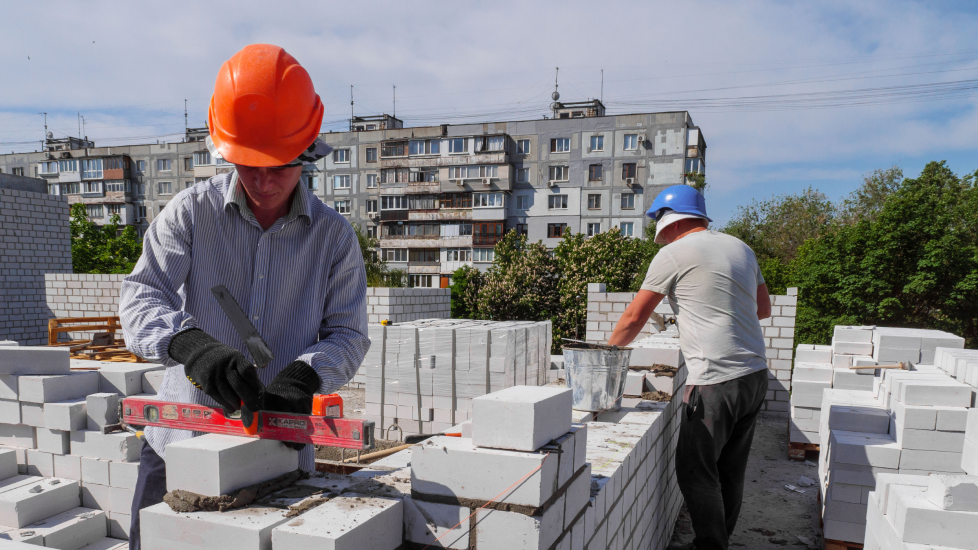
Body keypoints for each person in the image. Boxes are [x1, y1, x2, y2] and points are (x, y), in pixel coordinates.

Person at [119, 44, 370, 550]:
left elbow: (348, 333)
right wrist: (191, 346)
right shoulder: (191, 212)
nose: (263, 180)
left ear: (308, 152)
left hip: (276, 452)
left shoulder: (334, 238)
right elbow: (142, 295)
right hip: (181, 443)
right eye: (249, 163)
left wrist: (305, 375)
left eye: (279, 165)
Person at [606, 185, 771, 550]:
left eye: (661, 229)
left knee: (695, 469)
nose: (661, 237)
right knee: (730, 469)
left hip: (716, 380)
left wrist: (604, 356)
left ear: (671, 222)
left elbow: (634, 317)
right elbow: (763, 309)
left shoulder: (674, 253)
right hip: (755, 374)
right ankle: (720, 540)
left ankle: (710, 546)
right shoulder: (740, 247)